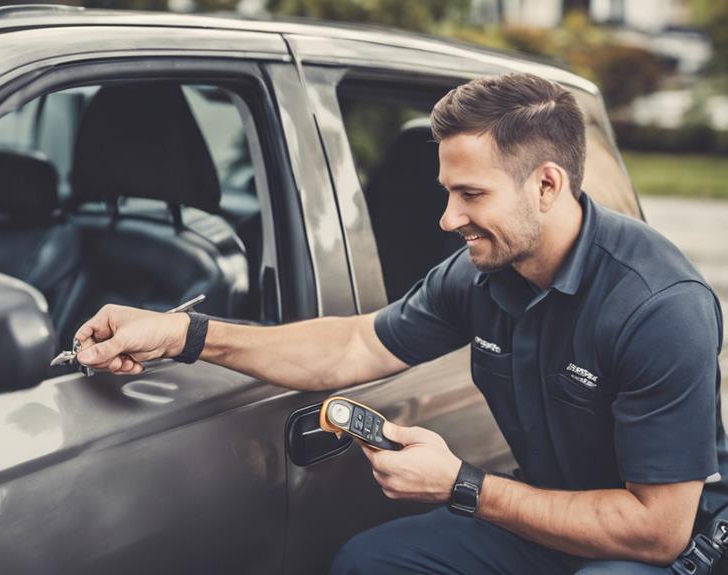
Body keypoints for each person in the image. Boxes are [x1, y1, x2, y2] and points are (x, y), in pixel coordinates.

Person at [73, 73, 726, 574]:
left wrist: (463, 485)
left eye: (470, 194)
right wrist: (184, 334)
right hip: (548, 508)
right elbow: (352, 344)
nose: (447, 218)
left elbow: (657, 527)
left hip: (661, 543)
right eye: (447, 190)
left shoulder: (658, 305)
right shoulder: (479, 274)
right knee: (371, 561)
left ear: (547, 186)